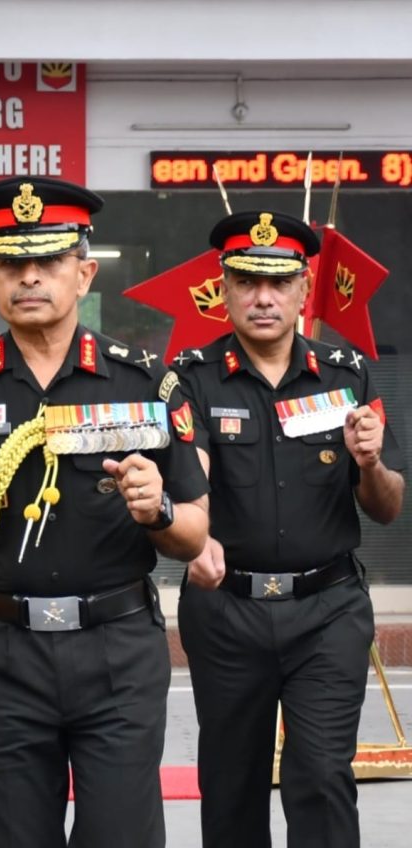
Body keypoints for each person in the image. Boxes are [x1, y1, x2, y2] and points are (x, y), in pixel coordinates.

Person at [0, 175, 210, 848]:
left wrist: (157, 510)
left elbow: (195, 533)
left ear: (84, 272)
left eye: (48, 260)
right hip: (2, 658)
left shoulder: (145, 384)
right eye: (12, 262)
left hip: (118, 654)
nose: (29, 276)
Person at [172, 210, 406, 848]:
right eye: (247, 281)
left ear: (306, 288)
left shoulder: (347, 374)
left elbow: (387, 505)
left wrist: (371, 461)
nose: (264, 297)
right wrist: (197, 537)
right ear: (224, 290)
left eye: (280, 283)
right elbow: (187, 479)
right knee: (231, 783)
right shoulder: (189, 378)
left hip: (328, 611)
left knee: (322, 775)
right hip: (227, 613)